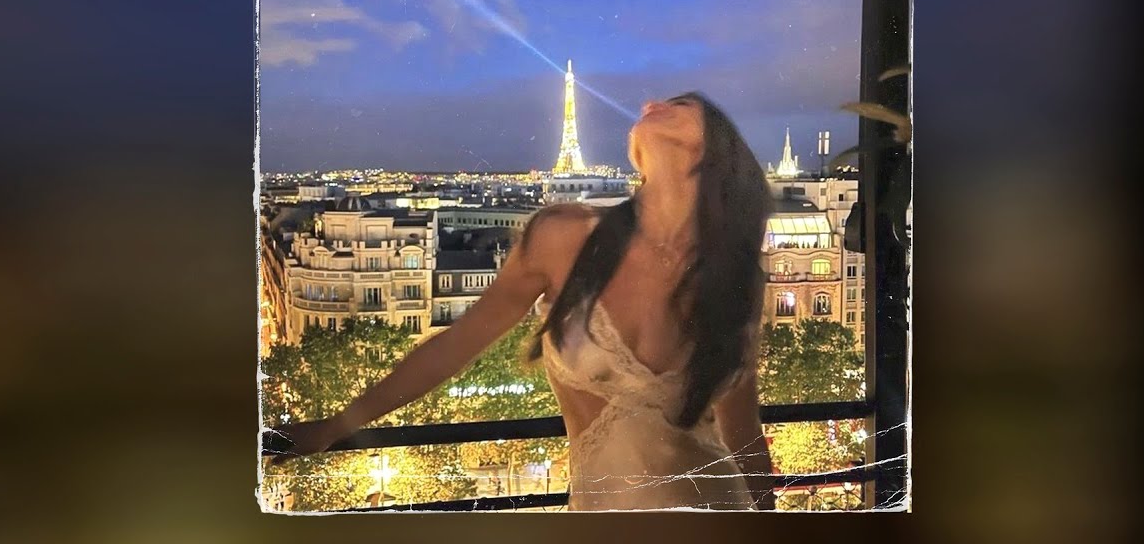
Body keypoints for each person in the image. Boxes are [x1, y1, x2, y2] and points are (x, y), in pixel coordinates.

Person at [272, 92, 777, 511]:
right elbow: (456, 344)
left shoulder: (736, 279)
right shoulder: (564, 237)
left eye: (680, 104)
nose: (649, 103)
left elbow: (742, 429)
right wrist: (340, 425)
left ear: (714, 150)